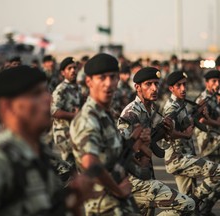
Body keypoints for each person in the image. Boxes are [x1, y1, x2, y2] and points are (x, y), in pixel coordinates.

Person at [0, 65, 94, 216]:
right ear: (9, 107)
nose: (48, 98)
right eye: (36, 94)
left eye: (45, 92)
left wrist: (73, 203)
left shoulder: (40, 153)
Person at [118, 67, 195, 215]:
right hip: (134, 180)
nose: (154, 88)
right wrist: (142, 145)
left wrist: (168, 131)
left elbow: (160, 139)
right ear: (137, 87)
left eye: (156, 84)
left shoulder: (152, 110)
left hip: (147, 173)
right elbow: (122, 153)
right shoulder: (130, 114)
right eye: (148, 84)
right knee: (187, 204)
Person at [70, 53, 139, 215]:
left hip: (119, 205)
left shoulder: (105, 114)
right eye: (102, 78)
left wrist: (136, 141)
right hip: (103, 206)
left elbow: (113, 156)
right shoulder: (88, 118)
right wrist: (118, 190)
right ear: (89, 82)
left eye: (113, 77)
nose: (108, 84)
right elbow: (90, 163)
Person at [162, 70, 220, 215]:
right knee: (218, 172)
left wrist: (200, 113)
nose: (183, 89)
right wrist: (185, 134)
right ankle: (194, 199)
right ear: (171, 88)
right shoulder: (171, 107)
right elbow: (168, 132)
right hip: (178, 159)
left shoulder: (181, 104)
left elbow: (191, 122)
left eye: (184, 85)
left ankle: (193, 202)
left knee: (189, 210)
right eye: (179, 86)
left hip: (186, 156)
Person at [51, 57, 81, 171]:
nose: (73, 70)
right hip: (63, 134)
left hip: (74, 133)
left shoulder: (77, 88)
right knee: (67, 168)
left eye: (75, 68)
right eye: (69, 68)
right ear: (63, 72)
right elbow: (53, 111)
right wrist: (74, 116)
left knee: (75, 168)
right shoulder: (60, 89)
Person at [195, 70, 220, 163]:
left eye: (219, 81)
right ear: (207, 83)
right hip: (207, 138)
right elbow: (201, 120)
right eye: (214, 81)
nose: (217, 84)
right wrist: (217, 123)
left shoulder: (215, 96)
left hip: (215, 135)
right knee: (212, 171)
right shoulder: (203, 99)